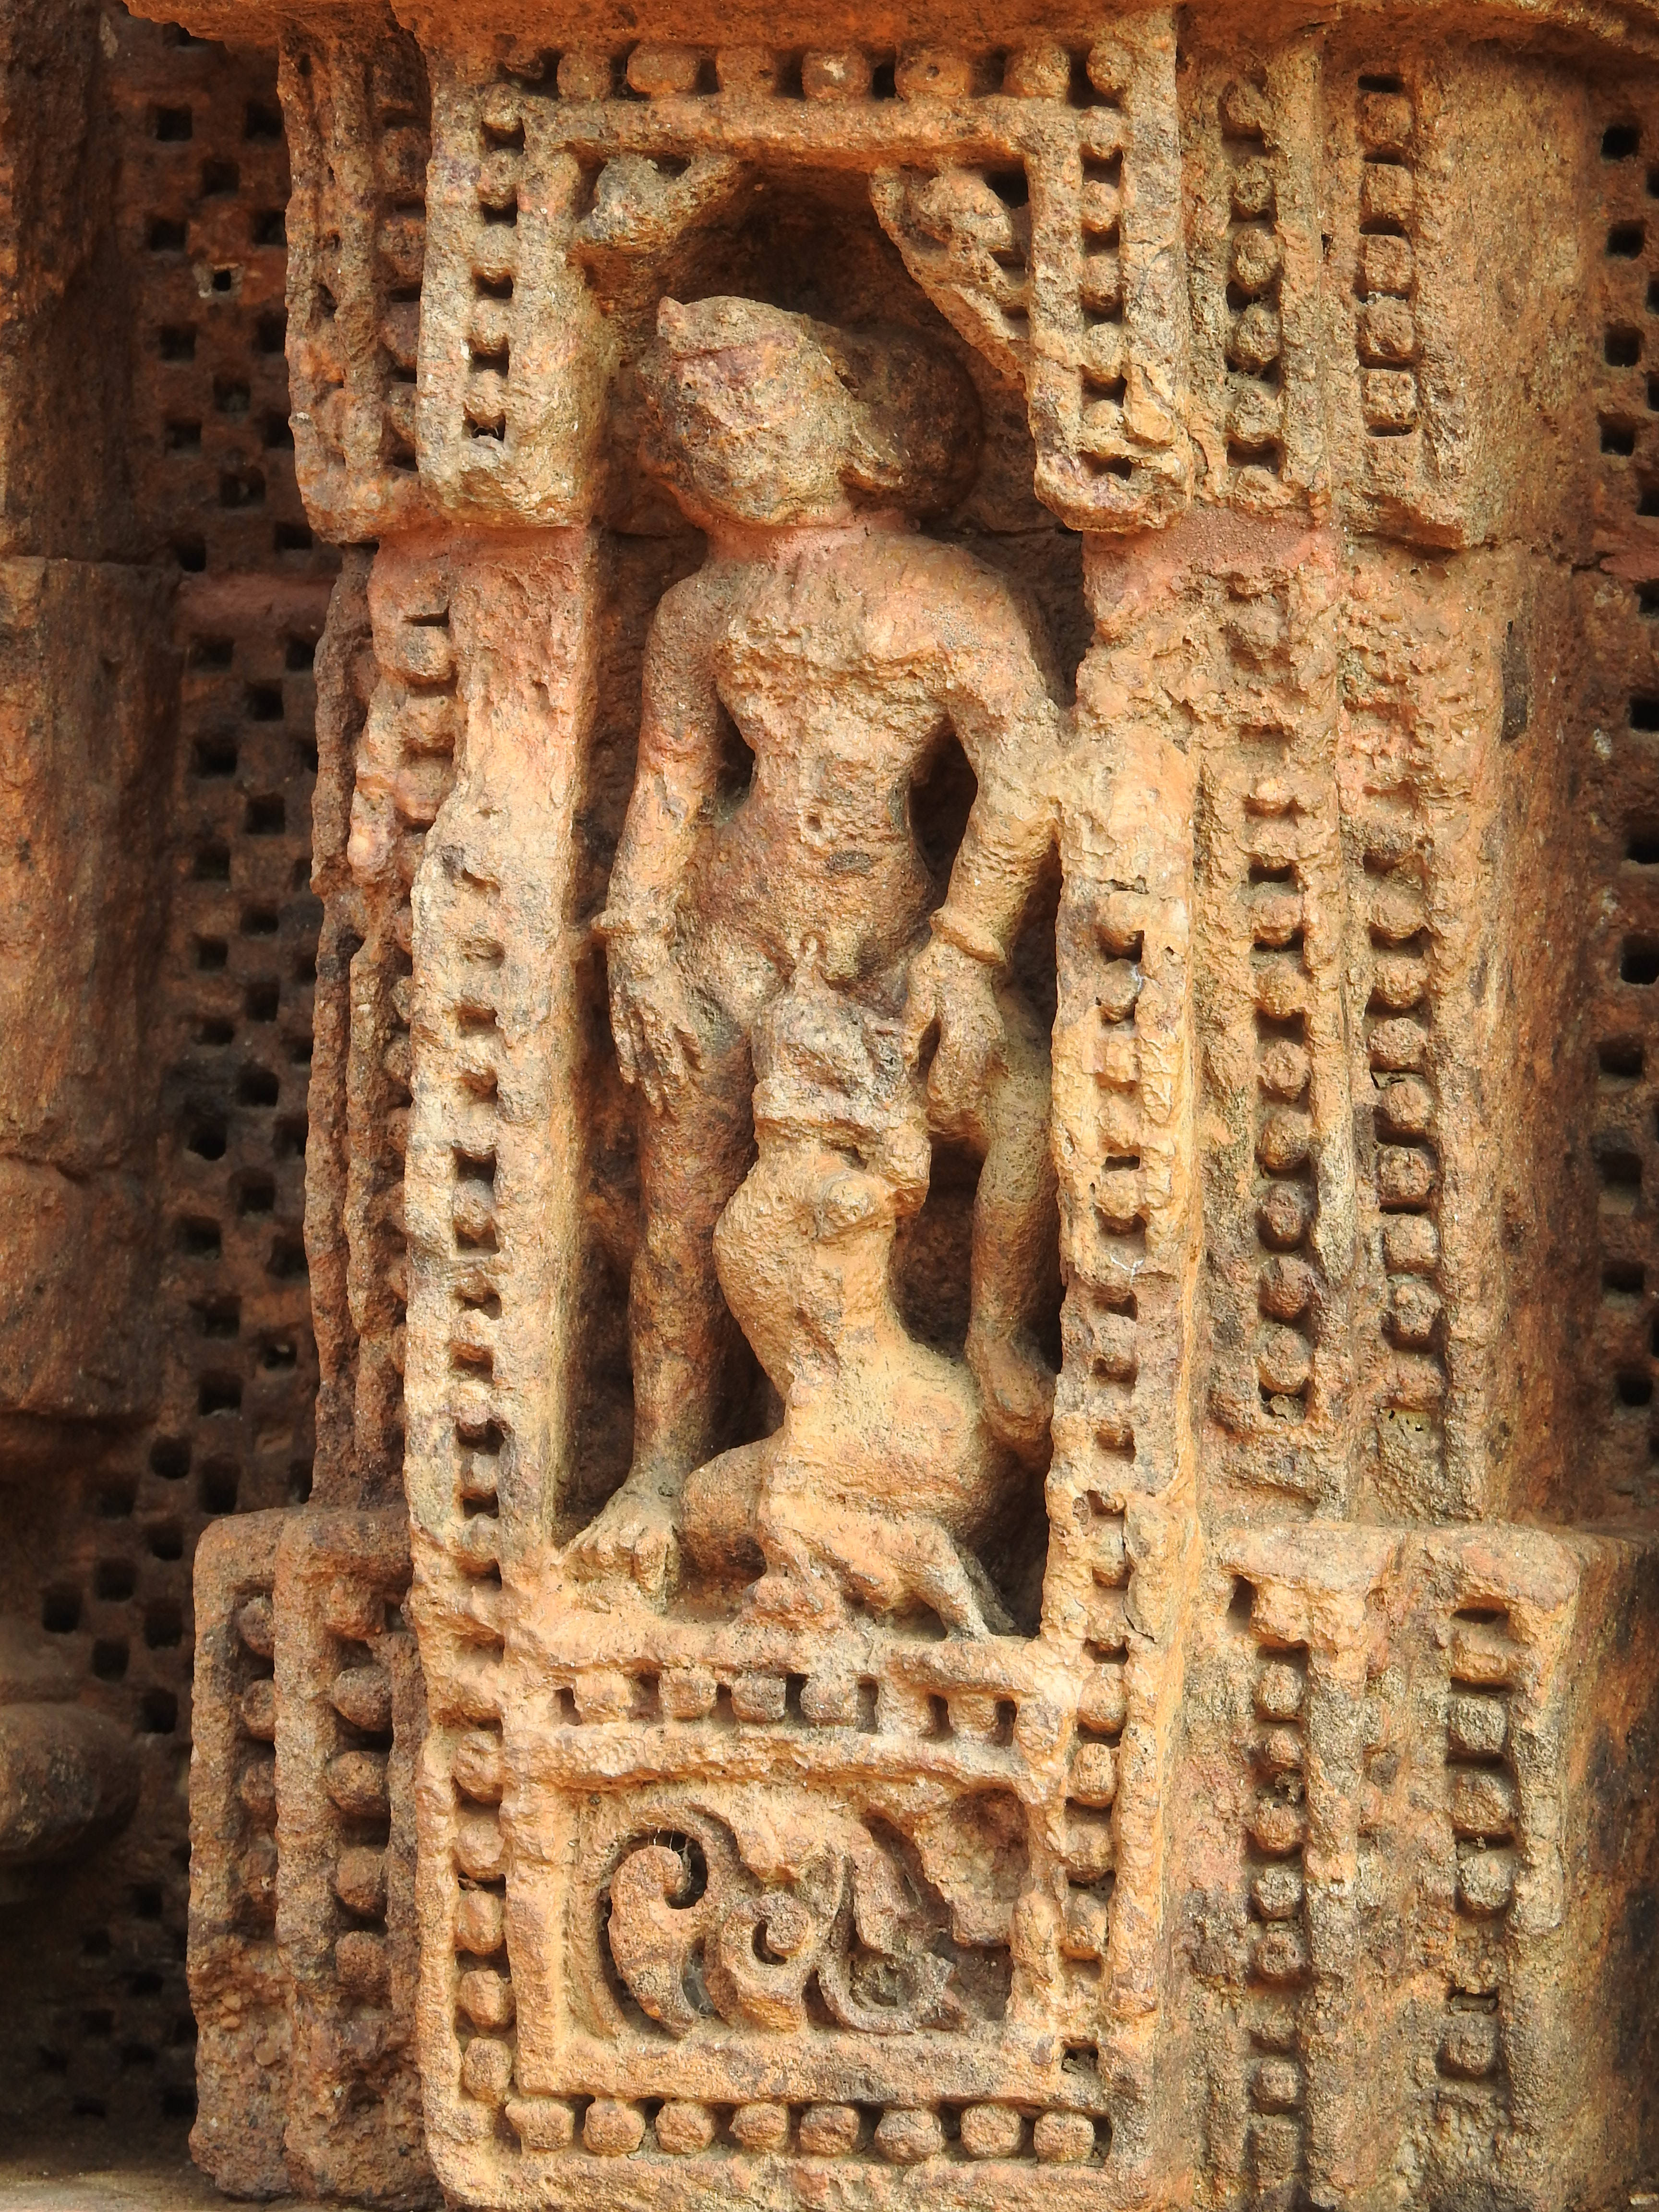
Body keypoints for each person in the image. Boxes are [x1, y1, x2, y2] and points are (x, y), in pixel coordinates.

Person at [580, 294, 1060, 1598]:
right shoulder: (701, 610)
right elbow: (672, 784)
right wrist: (638, 941)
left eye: (753, 403)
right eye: (697, 419)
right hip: (730, 939)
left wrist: (966, 948)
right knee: (683, 1199)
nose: (721, 436)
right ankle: (664, 1466)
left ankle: (1002, 1342)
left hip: (895, 947)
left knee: (1020, 1108)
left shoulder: (946, 596)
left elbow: (1030, 771)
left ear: (858, 424)